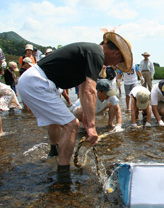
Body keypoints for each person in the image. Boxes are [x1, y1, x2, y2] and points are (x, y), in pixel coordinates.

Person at [17, 31, 133, 183]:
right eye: (118, 60)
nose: (114, 65)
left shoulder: (91, 52)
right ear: (116, 53)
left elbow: (84, 85)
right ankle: (63, 176)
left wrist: (86, 114)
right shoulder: (96, 54)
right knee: (72, 125)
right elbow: (90, 90)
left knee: (56, 121)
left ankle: (54, 152)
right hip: (38, 82)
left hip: (35, 81)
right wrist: (91, 126)